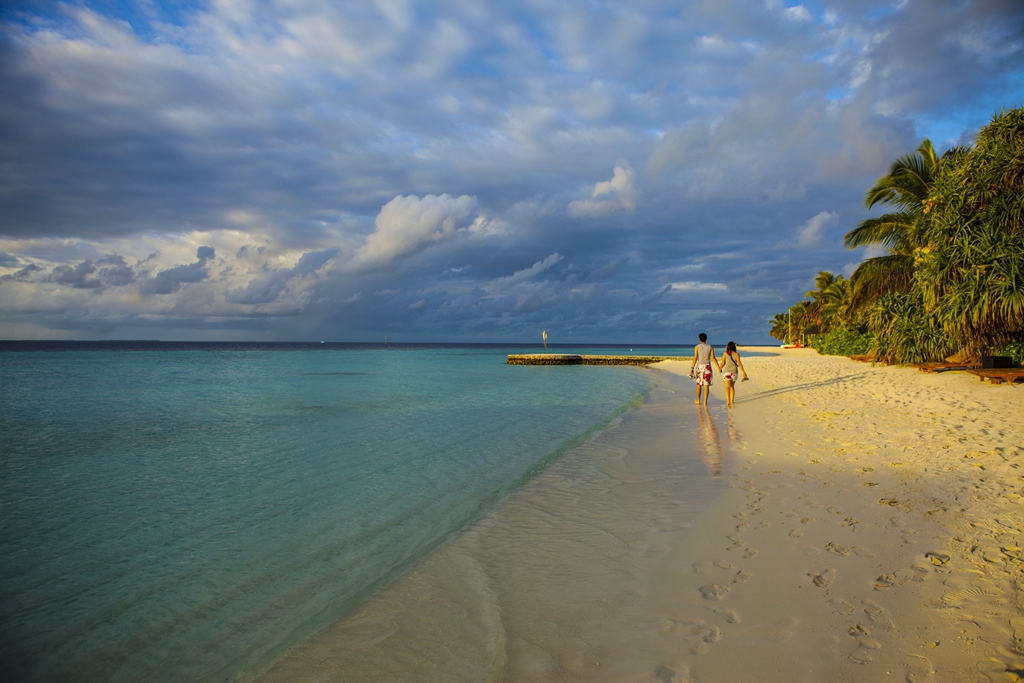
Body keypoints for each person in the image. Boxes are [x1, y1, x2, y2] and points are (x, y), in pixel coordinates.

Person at [719, 341, 749, 408]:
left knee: (727, 387)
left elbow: (723, 363)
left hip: (726, 372)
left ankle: (728, 401)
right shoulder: (737, 354)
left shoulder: (725, 354)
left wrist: (720, 368)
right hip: (734, 373)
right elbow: (740, 364)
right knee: (732, 386)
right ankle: (732, 400)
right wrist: (744, 372)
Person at [689, 333, 717, 405]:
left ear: (699, 339)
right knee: (706, 385)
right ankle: (705, 402)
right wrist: (718, 366)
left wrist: (692, 368)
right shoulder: (710, 347)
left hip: (700, 367)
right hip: (707, 366)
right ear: (706, 338)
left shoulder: (697, 347)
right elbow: (713, 358)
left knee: (699, 384)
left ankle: (698, 400)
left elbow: (695, 358)